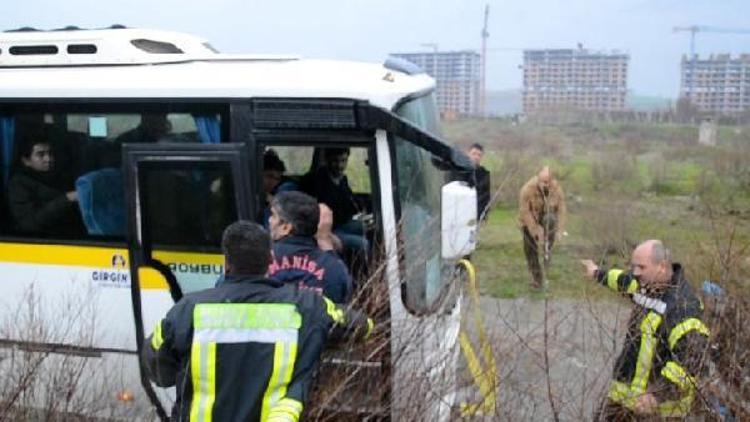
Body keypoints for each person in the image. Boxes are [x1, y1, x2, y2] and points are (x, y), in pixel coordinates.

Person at [141, 221, 372, 421]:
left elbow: (158, 372)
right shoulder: (306, 307)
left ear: (226, 262)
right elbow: (362, 326)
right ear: (271, 260)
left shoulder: (187, 311)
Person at [581, 240, 710, 420]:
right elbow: (621, 280)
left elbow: (692, 360)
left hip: (660, 412)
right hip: (624, 397)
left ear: (662, 267)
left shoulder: (683, 307)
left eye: (641, 267)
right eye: (634, 267)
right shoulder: (645, 286)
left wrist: (656, 396)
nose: (635, 273)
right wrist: (596, 273)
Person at [267, 191, 352, 303]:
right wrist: (325, 241)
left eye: (273, 215)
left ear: (286, 227)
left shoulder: (259, 261)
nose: (269, 220)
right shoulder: (333, 266)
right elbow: (345, 295)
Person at [7, 135, 84, 236]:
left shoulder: (59, 176)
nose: (48, 159)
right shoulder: (18, 185)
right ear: (26, 161)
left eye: (50, 153)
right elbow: (29, 224)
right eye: (40, 154)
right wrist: (66, 199)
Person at [300, 147, 368, 256]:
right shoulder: (315, 182)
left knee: (372, 229)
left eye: (343, 161)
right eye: (335, 161)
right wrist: (327, 234)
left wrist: (364, 210)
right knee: (363, 244)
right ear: (327, 160)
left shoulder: (341, 180)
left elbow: (351, 202)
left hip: (341, 224)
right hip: (325, 231)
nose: (340, 166)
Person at [518, 166, 566, 288]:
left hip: (547, 219)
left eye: (548, 181)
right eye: (543, 182)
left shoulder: (556, 189)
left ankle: (547, 253)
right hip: (529, 221)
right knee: (530, 250)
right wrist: (535, 230)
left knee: (550, 219)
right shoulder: (527, 189)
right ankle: (537, 278)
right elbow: (525, 212)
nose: (546, 184)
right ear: (538, 179)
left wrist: (560, 230)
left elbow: (561, 210)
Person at [467, 143, 491, 221]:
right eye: (474, 154)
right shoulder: (459, 170)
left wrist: (483, 215)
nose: (476, 157)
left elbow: (486, 196)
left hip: (477, 214)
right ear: (468, 154)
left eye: (479, 155)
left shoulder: (484, 174)